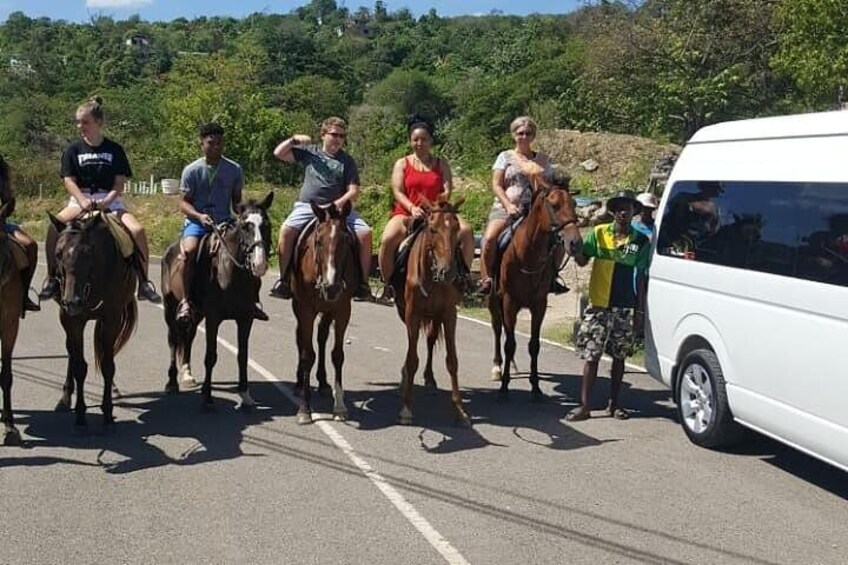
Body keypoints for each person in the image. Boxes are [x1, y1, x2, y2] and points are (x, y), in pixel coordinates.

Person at [38, 96, 161, 303]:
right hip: (80, 200)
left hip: (110, 200)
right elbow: (68, 180)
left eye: (85, 122)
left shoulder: (114, 149)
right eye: (78, 122)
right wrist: (82, 200)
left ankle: (144, 282)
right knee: (53, 227)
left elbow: (120, 182)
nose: (80, 126)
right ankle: (52, 279)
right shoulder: (73, 150)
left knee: (137, 230)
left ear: (98, 122)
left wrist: (108, 201)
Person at [567, 190, 651, 422]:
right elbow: (584, 260)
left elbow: (641, 277)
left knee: (619, 356)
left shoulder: (640, 241)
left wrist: (640, 311)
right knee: (591, 356)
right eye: (620, 208)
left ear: (635, 211)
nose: (624, 212)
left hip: (624, 305)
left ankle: (615, 404)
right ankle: (585, 406)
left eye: (629, 208)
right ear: (613, 211)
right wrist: (575, 252)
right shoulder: (598, 233)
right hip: (598, 304)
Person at [268, 117, 374, 301]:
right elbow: (279, 153)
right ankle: (283, 279)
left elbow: (354, 191)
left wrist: (337, 204)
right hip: (308, 207)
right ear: (323, 135)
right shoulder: (310, 152)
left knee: (365, 233)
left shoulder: (347, 161)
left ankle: (362, 284)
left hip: (337, 210)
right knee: (286, 230)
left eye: (341, 136)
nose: (338, 139)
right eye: (334, 135)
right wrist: (294, 140)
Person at [173, 123, 268, 323]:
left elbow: (235, 201)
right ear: (202, 144)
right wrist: (199, 216)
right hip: (197, 222)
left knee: (247, 249)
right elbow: (183, 202)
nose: (216, 146)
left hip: (225, 221)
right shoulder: (192, 170)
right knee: (189, 252)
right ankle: (185, 301)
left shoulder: (234, 169)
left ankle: (252, 300)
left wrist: (244, 214)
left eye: (219, 143)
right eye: (211, 143)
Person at [376, 115, 475, 302]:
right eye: (415, 139)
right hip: (407, 211)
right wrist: (412, 208)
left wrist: (440, 202)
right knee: (388, 238)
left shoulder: (441, 163)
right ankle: (387, 284)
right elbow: (397, 191)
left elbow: (447, 188)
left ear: (431, 141)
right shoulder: (402, 163)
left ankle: (464, 279)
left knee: (467, 231)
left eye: (424, 139)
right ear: (410, 141)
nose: (419, 143)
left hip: (437, 212)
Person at [476, 116, 568, 295]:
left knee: (559, 240)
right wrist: (508, 205)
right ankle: (486, 278)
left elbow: (549, 187)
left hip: (536, 210)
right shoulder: (505, 156)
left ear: (533, 136)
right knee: (489, 239)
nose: (524, 137)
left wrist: (537, 176)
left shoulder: (542, 159)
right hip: (506, 208)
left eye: (528, 133)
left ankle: (552, 277)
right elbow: (496, 184)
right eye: (520, 133)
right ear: (514, 135)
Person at [0, 156, 39, 315]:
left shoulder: (1, 176)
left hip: (2, 223)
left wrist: (3, 212)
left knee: (30, 245)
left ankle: (24, 294)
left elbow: (9, 201)